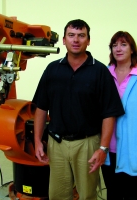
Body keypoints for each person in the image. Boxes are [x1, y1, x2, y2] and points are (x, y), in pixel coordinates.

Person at [32, 19, 125, 200]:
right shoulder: (52, 70)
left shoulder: (99, 71)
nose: (76, 40)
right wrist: (37, 141)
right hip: (56, 144)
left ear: (88, 40)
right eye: (71, 35)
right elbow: (41, 108)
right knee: (57, 195)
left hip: (87, 144)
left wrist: (103, 149)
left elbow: (109, 114)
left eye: (81, 36)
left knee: (88, 195)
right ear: (64, 40)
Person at [101, 31, 137, 200]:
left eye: (123, 44)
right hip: (108, 146)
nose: (118, 49)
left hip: (133, 149)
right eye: (114, 45)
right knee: (113, 193)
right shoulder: (103, 74)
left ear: (132, 49)